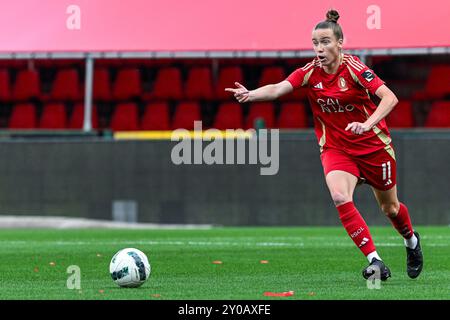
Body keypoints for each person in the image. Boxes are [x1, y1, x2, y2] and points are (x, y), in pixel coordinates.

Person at [225, 9, 423, 281]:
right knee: (340, 196)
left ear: (340, 43)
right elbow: (279, 88)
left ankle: (411, 241)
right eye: (315, 43)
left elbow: (389, 98)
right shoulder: (309, 73)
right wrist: (251, 94)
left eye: (325, 41)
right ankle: (375, 260)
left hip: (373, 146)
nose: (319, 48)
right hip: (337, 148)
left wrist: (367, 124)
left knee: (390, 208)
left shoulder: (355, 69)